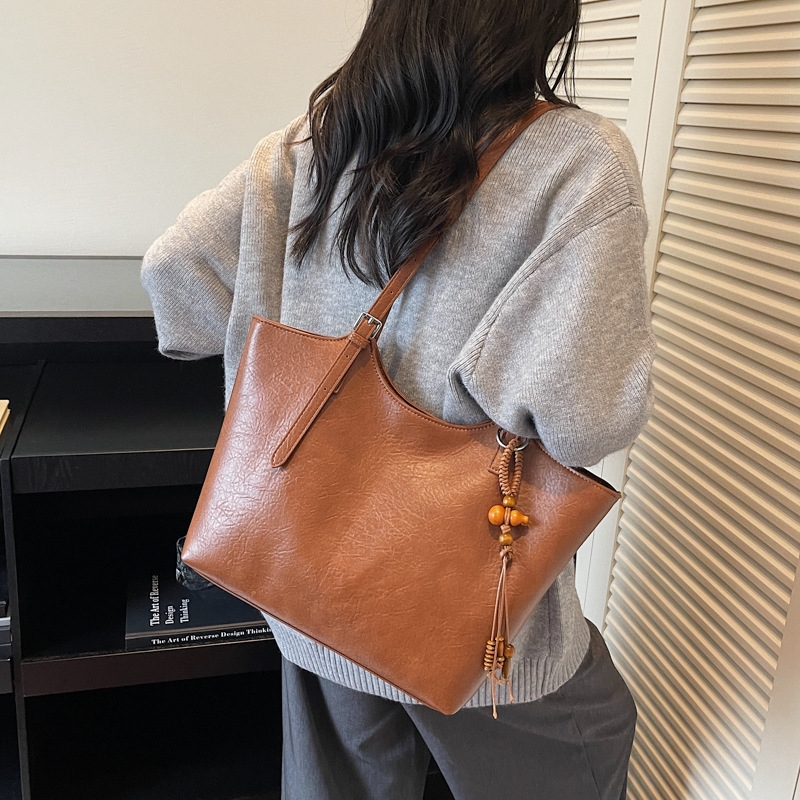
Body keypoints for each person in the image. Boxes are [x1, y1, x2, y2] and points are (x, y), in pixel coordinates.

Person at [142, 0, 655, 797]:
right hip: (467, 611)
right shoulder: (575, 162)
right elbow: (584, 419)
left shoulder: (316, 140)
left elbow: (175, 280)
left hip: (303, 574)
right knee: (594, 736)